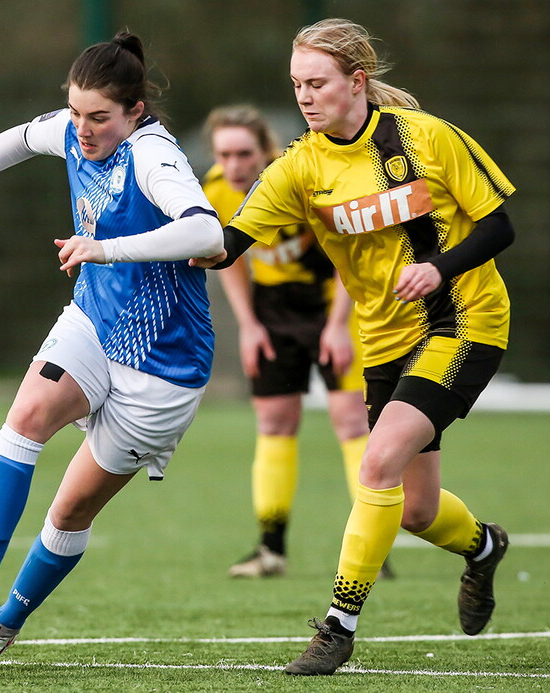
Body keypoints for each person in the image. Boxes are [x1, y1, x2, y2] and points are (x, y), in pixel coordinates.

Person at [0, 31, 223, 671]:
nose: (84, 129)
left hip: (163, 366)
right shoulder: (72, 131)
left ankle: (2, 628)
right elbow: (17, 139)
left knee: (68, 513)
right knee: (26, 418)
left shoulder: (153, 155)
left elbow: (205, 230)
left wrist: (105, 248)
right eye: (75, 112)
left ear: (135, 112)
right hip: (96, 321)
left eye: (100, 117)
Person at [193, 18, 515, 675]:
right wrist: (133, 244)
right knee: (419, 510)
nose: (305, 97)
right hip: (386, 341)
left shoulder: (428, 138)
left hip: (465, 319)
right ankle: (483, 548)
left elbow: (500, 225)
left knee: (376, 464)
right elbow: (228, 247)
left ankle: (337, 625)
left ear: (356, 82)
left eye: (317, 83)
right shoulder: (299, 168)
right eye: (296, 85)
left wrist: (439, 267)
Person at [200, 105, 394, 580]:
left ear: (266, 152)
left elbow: (354, 253)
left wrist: (336, 326)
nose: (235, 165)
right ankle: (271, 550)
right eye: (225, 154)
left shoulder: (302, 178)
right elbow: (230, 263)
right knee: (274, 421)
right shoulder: (216, 191)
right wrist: (248, 324)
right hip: (273, 316)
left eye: (245, 153)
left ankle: (375, 548)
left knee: (351, 420)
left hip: (334, 306)